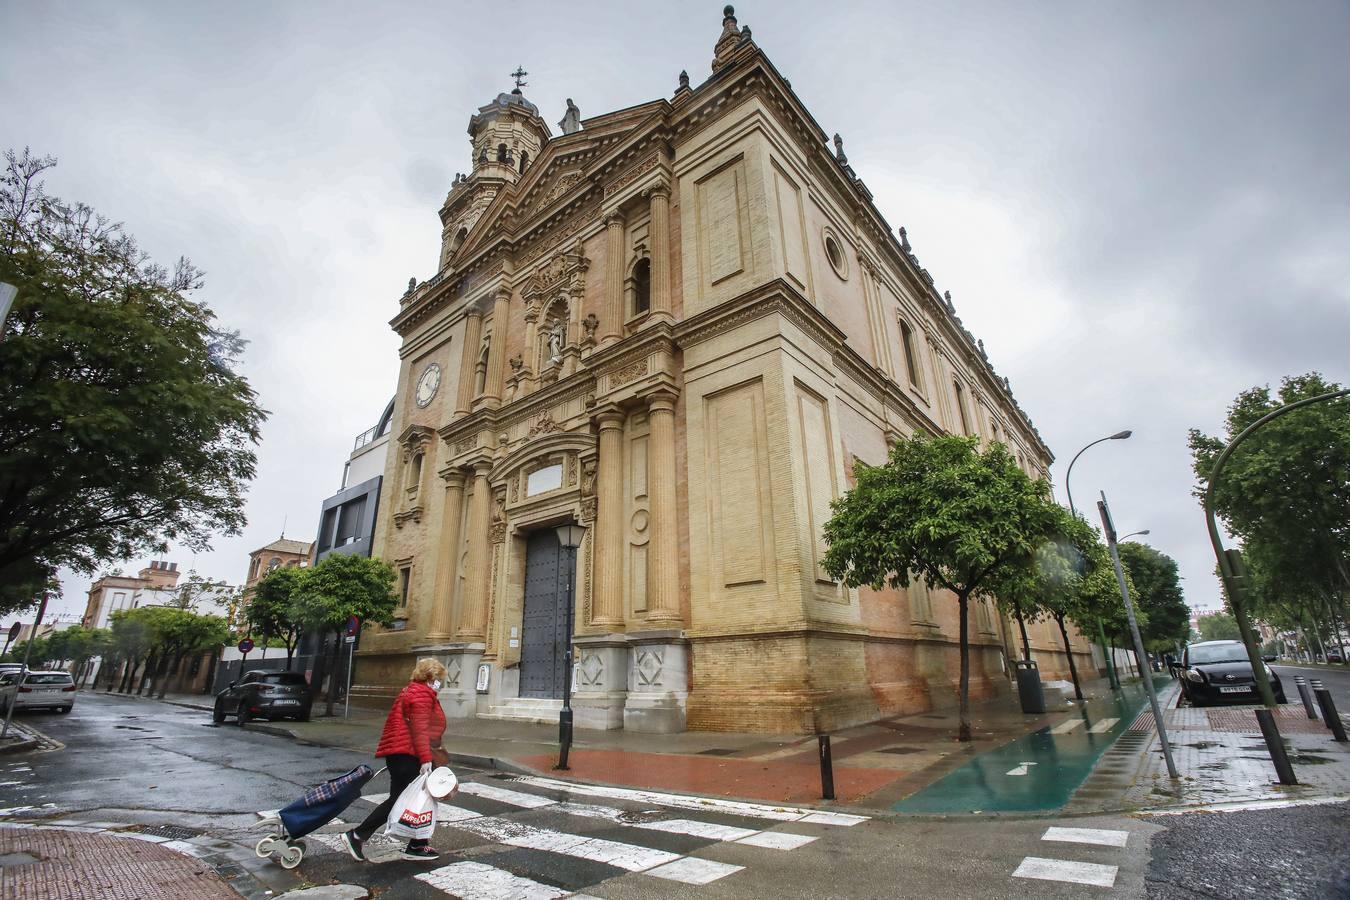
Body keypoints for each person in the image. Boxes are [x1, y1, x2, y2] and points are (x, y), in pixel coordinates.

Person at [343, 657, 448, 862]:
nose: (440, 682)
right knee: (411, 799)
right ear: (431, 676)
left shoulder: (412, 690)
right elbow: (419, 729)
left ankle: (417, 844)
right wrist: (426, 759)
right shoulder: (421, 694)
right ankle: (358, 835)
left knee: (405, 799)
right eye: (439, 678)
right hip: (410, 755)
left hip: (400, 754)